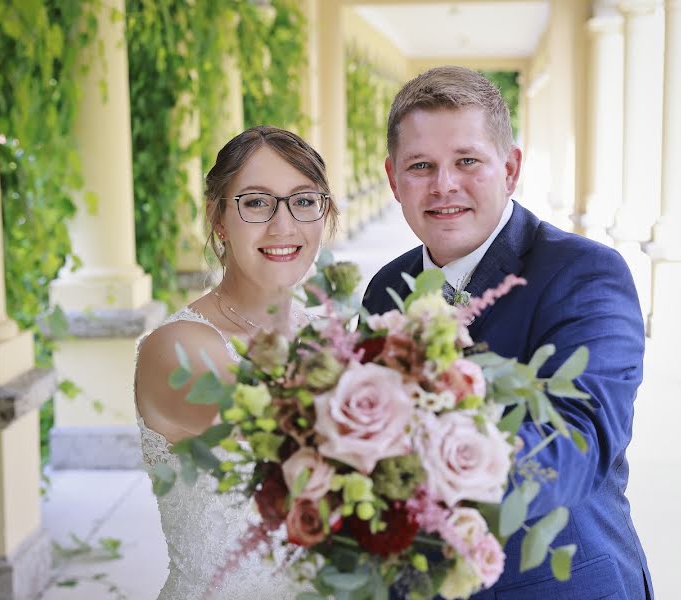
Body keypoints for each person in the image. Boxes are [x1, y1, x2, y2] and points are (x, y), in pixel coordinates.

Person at [363, 66, 653, 599]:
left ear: (511, 167)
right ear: (392, 178)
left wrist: (424, 471)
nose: (444, 184)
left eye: (467, 161)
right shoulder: (387, 290)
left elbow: (577, 440)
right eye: (421, 165)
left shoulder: (587, 274)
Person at [134, 125, 337, 599]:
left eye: (304, 200)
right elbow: (296, 435)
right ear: (219, 219)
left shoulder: (328, 336)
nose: (283, 225)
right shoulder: (179, 349)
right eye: (256, 202)